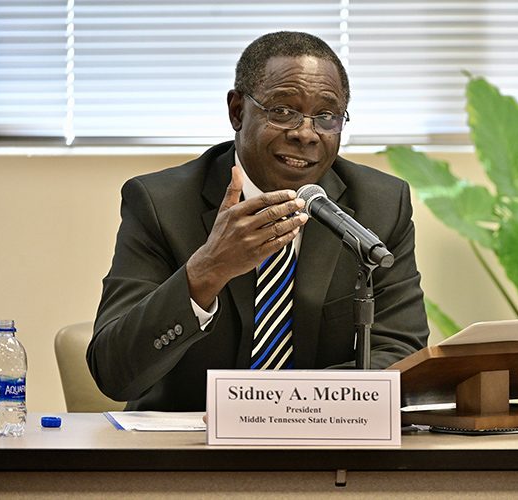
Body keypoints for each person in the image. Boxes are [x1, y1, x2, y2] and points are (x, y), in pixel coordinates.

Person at [87, 31, 429, 411]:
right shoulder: (161, 205)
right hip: (187, 442)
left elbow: (400, 351)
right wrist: (207, 270)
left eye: (326, 117)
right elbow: (113, 372)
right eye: (282, 111)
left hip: (320, 437)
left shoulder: (379, 206)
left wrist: (279, 408)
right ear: (237, 111)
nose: (305, 134)